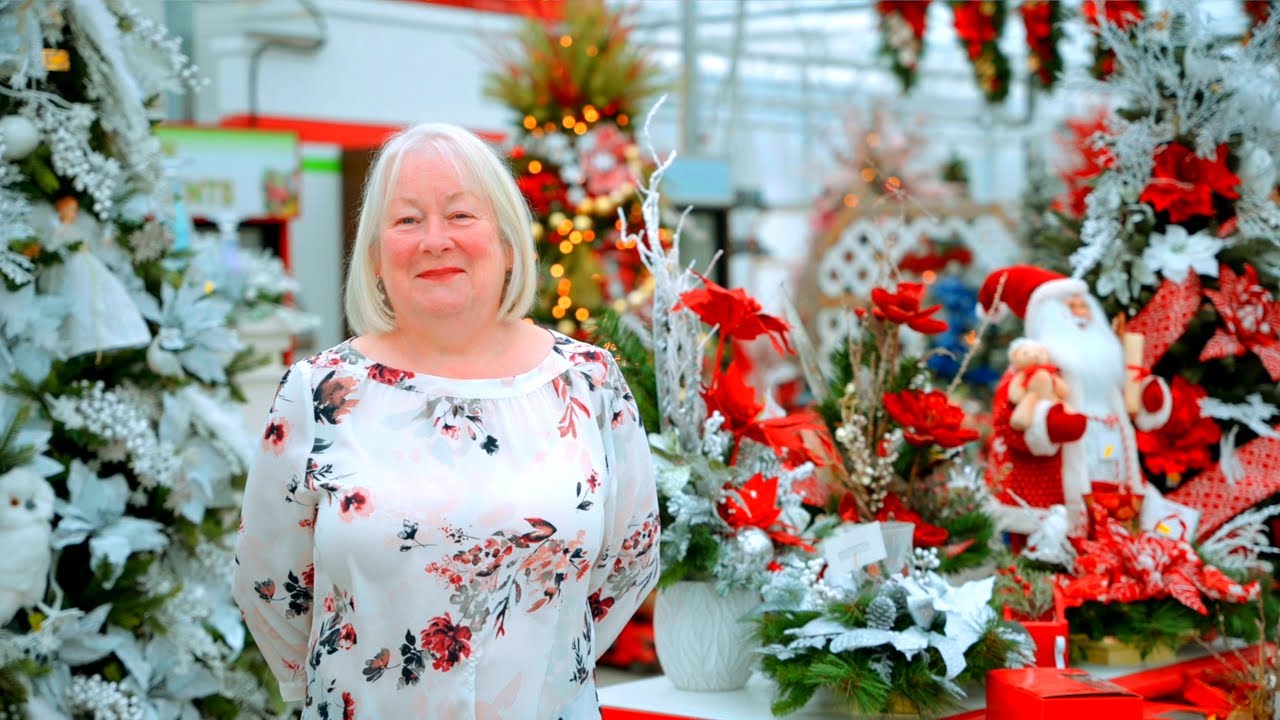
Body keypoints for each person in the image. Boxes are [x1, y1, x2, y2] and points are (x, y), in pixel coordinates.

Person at [232, 123, 660, 720]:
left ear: (508, 243)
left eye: (461, 215)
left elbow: (627, 566)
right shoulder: (318, 393)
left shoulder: (588, 381)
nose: (435, 240)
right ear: (376, 256)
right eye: (407, 220)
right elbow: (272, 587)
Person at [978, 265, 1172, 536]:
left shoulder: (1110, 368)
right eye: (1071, 307)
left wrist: (1151, 399)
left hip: (1115, 477)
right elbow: (1008, 422)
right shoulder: (1034, 372)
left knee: (1118, 537)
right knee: (1056, 548)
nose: (1081, 313)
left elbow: (1136, 406)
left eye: (1085, 306)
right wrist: (1049, 424)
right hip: (1056, 494)